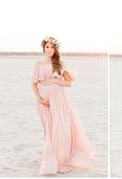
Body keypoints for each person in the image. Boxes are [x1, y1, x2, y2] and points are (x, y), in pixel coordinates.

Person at [32, 37, 94, 175]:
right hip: (43, 102)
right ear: (43, 48)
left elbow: (68, 83)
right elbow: (33, 84)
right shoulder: (38, 65)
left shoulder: (60, 63)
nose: (49, 49)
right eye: (47, 47)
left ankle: (60, 159)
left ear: (55, 49)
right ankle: (50, 156)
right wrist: (40, 99)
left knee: (60, 130)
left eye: (52, 47)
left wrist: (56, 81)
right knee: (49, 130)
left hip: (59, 100)